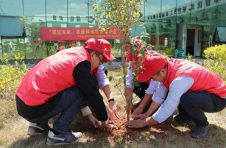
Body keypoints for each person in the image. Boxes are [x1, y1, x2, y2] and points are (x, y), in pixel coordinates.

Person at [16, 38, 115, 145]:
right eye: (102, 60)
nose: (101, 64)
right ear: (93, 55)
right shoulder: (81, 64)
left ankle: (37, 126)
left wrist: (90, 113)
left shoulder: (75, 54)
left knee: (71, 88)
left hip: (23, 102)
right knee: (84, 90)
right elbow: (92, 95)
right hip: (34, 108)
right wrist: (104, 120)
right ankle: (58, 133)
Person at [127, 51, 226, 139]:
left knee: (185, 98)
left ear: (162, 72)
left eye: (152, 77)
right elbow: (159, 96)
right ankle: (186, 115)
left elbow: (169, 107)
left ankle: (202, 124)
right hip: (202, 93)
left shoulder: (179, 79)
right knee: (181, 95)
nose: (152, 80)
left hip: (218, 98)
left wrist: (145, 122)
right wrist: (146, 114)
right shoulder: (168, 68)